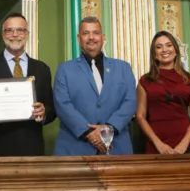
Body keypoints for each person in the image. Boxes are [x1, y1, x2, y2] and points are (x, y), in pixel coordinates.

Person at [0, 13, 56, 156]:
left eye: (20, 30)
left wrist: (44, 112)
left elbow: (52, 109)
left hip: (32, 148)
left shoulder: (42, 69)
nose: (15, 35)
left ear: (27, 34)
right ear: (3, 35)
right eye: (10, 30)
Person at [53, 16, 137, 156]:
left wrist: (108, 130)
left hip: (117, 147)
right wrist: (89, 133)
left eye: (96, 33)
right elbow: (63, 105)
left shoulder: (123, 68)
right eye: (86, 33)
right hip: (74, 148)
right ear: (79, 38)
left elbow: (130, 101)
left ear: (103, 37)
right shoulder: (64, 69)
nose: (91, 37)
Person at [136, 31, 190, 154]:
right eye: (159, 47)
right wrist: (158, 143)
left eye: (169, 45)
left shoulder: (189, 79)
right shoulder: (145, 80)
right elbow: (140, 116)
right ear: (154, 54)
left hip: (184, 140)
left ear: (176, 50)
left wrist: (184, 144)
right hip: (155, 141)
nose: (164, 49)